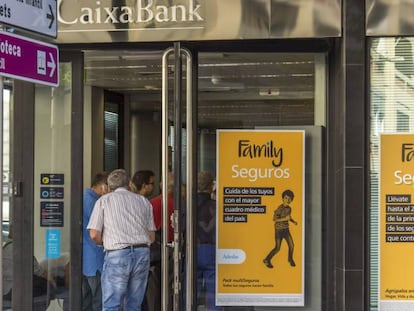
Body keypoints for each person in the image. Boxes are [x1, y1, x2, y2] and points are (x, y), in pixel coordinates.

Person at [87, 169, 156, 311]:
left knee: (112, 304)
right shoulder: (143, 201)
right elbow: (152, 236)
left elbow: (94, 234)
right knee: (134, 304)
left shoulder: (103, 201)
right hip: (142, 253)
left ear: (108, 187)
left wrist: (104, 242)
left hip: (117, 254)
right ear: (129, 184)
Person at [130, 170, 158, 311]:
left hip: (125, 254)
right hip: (141, 253)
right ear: (144, 185)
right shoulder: (145, 204)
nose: (154, 187)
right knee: (139, 293)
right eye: (152, 183)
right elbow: (151, 235)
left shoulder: (127, 202)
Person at [82, 171, 108, 311]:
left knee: (87, 300)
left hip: (87, 259)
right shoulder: (93, 202)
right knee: (98, 300)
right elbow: (97, 230)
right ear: (103, 186)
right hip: (95, 258)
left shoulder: (86, 198)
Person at [196, 171, 220, 311]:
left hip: (193, 249)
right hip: (211, 249)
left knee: (191, 288)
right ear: (211, 186)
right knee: (213, 289)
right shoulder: (215, 206)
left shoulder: (186, 204)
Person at [263, 189, 298, 269]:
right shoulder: (279, 209)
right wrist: (285, 219)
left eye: (290, 199)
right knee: (277, 248)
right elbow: (274, 219)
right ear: (283, 198)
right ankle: (266, 259)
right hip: (279, 230)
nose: (288, 200)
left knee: (291, 245)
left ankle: (290, 259)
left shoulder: (289, 208)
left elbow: (289, 217)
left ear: (292, 200)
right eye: (286, 198)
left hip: (286, 230)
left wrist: (293, 221)